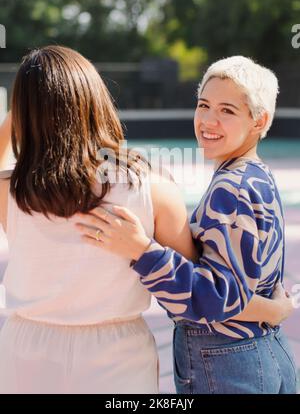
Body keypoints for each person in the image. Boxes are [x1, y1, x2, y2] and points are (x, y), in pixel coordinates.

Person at [75, 56, 297, 394]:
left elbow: (218, 298)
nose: (208, 119)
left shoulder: (231, 189)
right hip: (266, 350)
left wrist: (142, 251)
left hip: (227, 360)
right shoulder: (258, 176)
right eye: (204, 105)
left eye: (227, 110)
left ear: (259, 121)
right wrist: (274, 309)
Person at [0, 44, 195, 394]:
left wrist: (19, 114)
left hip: (24, 348)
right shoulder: (152, 185)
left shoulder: (10, 191)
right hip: (117, 351)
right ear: (95, 101)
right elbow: (193, 283)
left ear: (23, 113)